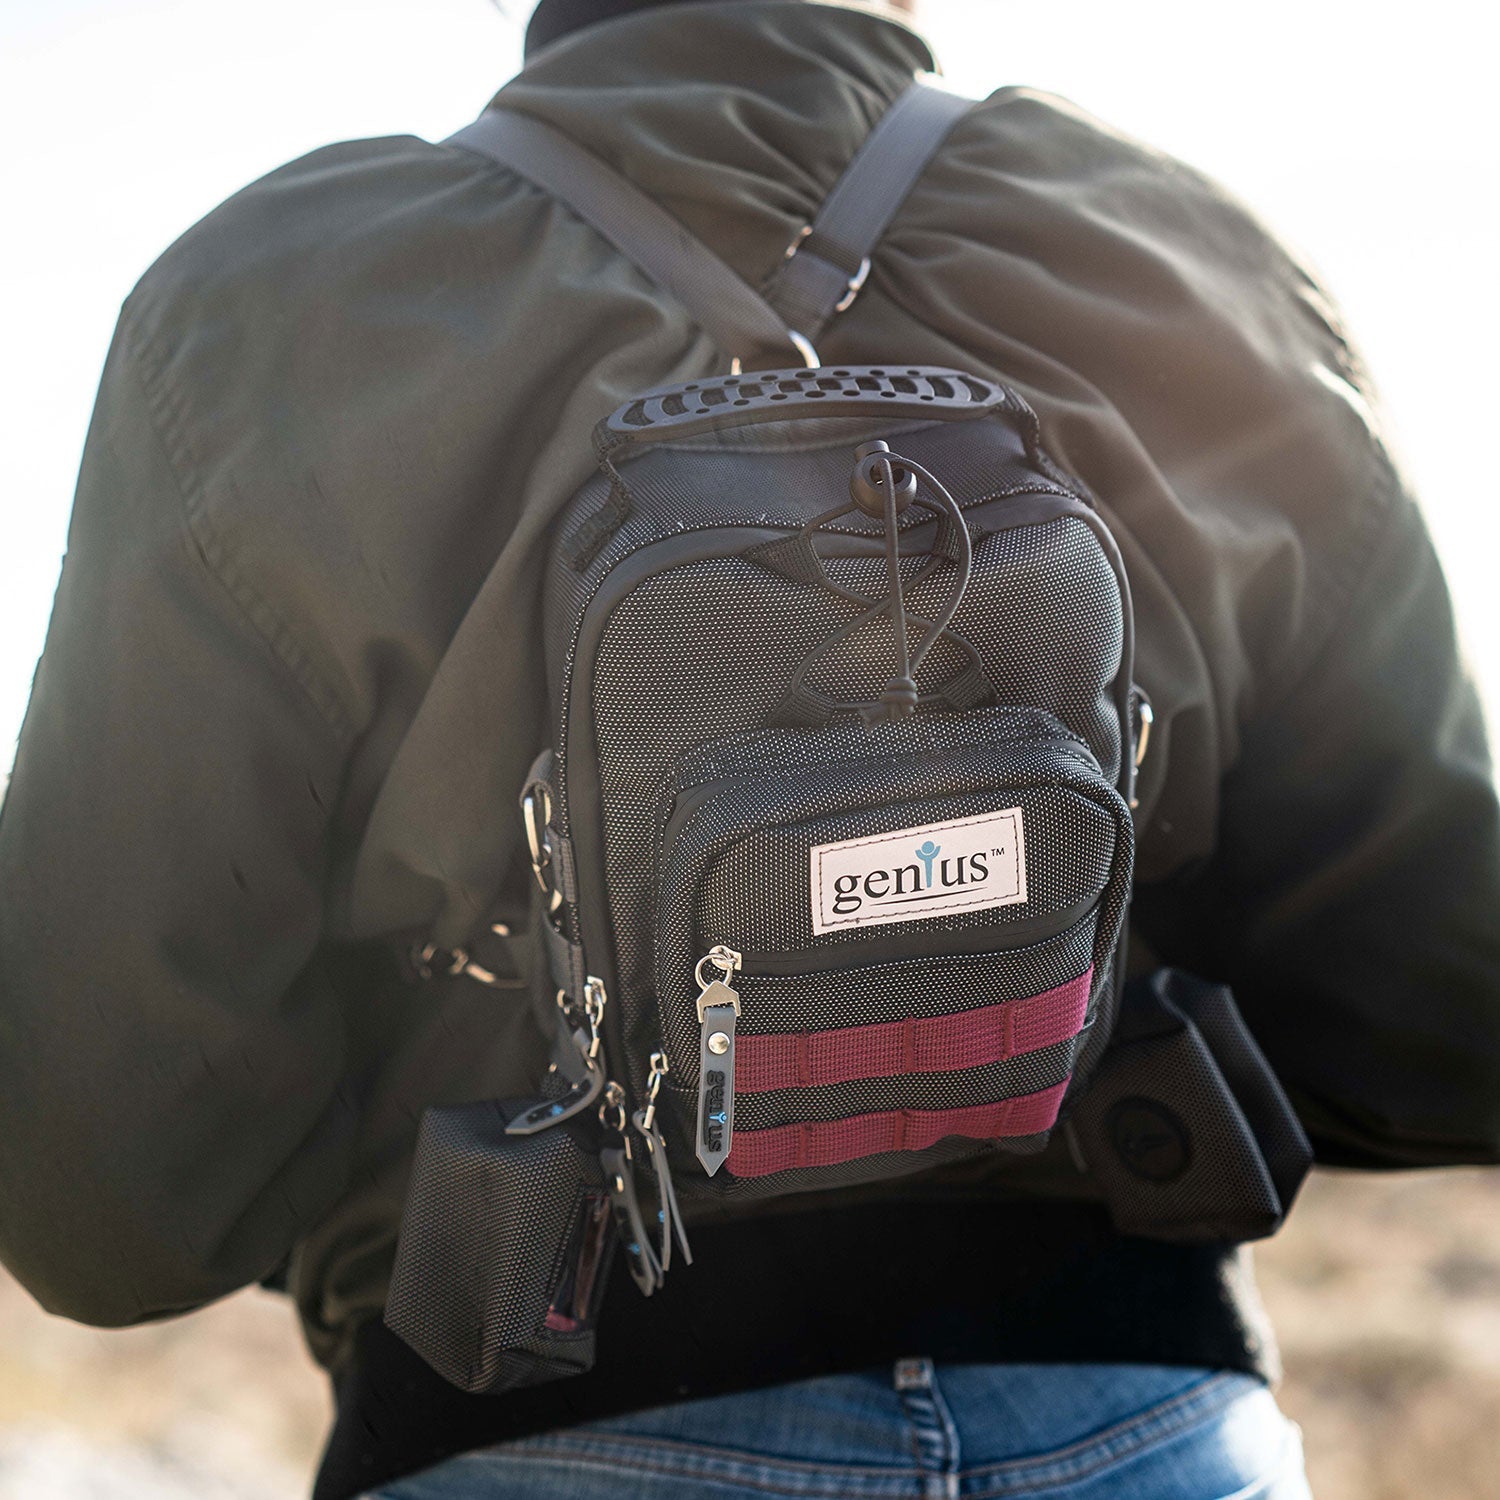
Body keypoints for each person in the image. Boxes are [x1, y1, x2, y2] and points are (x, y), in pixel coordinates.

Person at [2, 0, 1497, 1496]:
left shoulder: (274, 299)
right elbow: (1439, 1034)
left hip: (526, 1411)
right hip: (1143, 1415)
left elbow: (109, 1211)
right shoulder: (1178, 245)